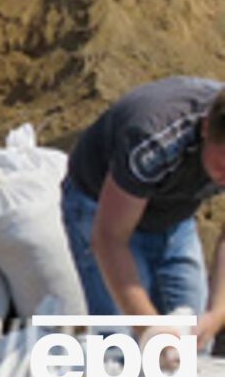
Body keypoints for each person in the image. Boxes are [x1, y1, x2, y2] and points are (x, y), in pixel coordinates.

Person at [61, 77, 225, 350]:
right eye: (223, 165)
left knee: (195, 343)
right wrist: (150, 326)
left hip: (174, 215)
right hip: (101, 207)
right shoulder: (155, 138)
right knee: (120, 345)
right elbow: (109, 238)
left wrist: (218, 313)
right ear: (207, 128)